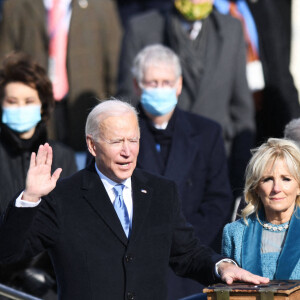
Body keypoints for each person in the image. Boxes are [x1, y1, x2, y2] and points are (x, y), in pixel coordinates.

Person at [0, 100, 268, 299]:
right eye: (117, 142)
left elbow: (186, 253)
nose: (128, 151)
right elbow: (9, 251)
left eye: (134, 140)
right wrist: (30, 198)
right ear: (92, 146)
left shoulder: (161, 191)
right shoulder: (62, 198)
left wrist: (222, 266)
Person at [117, 0, 255, 198]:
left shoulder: (231, 29)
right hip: (156, 167)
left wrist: (241, 181)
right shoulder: (141, 28)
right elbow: (126, 103)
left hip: (215, 166)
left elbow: (242, 110)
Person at [132, 44, 234, 299]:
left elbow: (218, 200)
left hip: (190, 265)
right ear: (137, 86)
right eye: (152, 82)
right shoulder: (120, 134)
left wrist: (181, 242)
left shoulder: (207, 133)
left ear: (178, 86)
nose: (159, 89)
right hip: (136, 263)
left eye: (166, 82)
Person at [0, 52, 77, 298]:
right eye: (12, 101)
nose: (20, 108)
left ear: (43, 103)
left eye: (28, 100)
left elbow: (70, 227)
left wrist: (48, 275)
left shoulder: (62, 156)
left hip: (47, 287)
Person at [0, 0, 122, 151]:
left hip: (85, 108)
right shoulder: (16, 4)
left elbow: (115, 65)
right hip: (34, 110)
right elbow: (6, 63)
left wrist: (110, 113)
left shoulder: (101, 4)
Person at [222, 138, 300, 279]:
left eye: (286, 179)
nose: (276, 188)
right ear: (256, 187)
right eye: (268, 179)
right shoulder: (234, 232)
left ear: (299, 187)